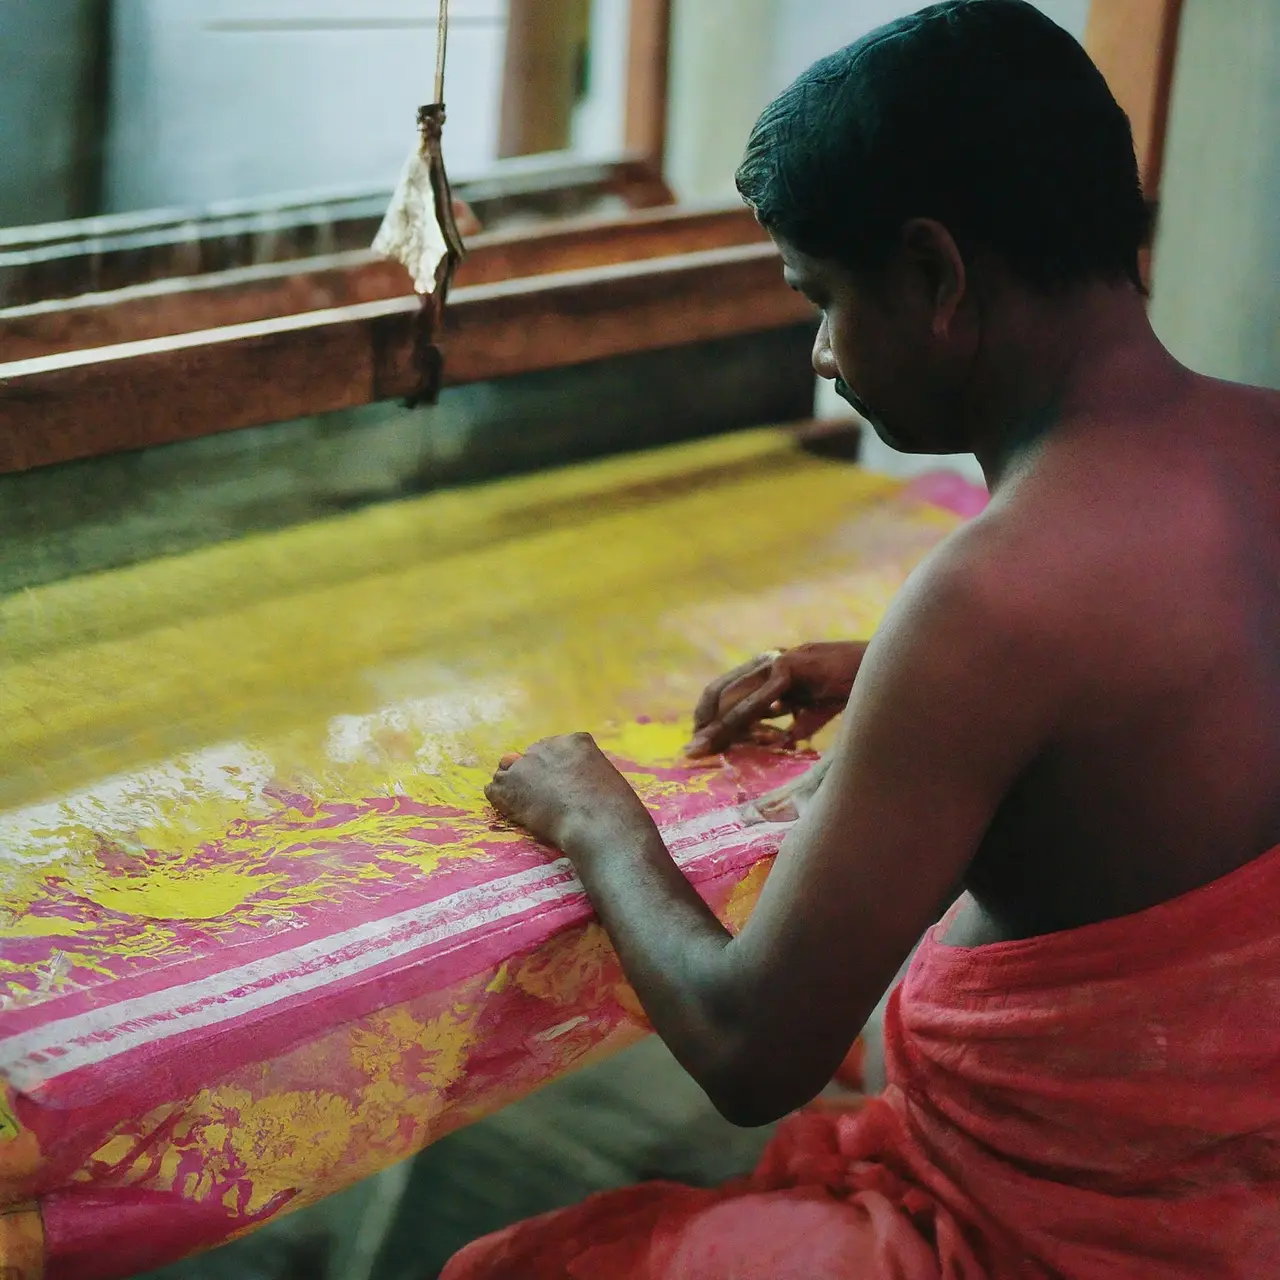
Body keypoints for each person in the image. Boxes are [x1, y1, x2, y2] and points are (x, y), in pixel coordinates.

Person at [449, 1, 1280, 1274]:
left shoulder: (989, 604)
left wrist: (593, 816)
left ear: (936, 276)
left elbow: (749, 1047)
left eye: (822, 297)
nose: (824, 352)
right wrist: (894, 679)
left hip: (1053, 1237)